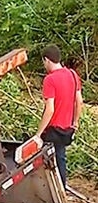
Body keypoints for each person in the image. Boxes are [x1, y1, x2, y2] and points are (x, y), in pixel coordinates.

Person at [34, 45, 83, 188]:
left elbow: (50, 109)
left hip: (53, 129)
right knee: (61, 157)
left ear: (47, 60)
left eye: (44, 62)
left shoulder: (50, 79)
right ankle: (62, 186)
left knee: (43, 159)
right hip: (67, 128)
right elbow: (79, 101)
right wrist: (75, 121)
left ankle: (52, 190)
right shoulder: (73, 75)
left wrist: (38, 133)